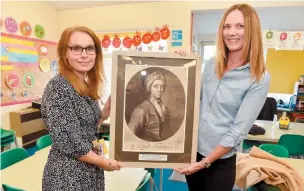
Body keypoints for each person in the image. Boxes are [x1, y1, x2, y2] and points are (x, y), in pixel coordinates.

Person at [176, 4, 270, 191]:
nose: (231, 32)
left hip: (220, 161)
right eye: (227, 26)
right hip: (193, 151)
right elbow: (195, 99)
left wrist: (205, 162)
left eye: (239, 26)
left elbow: (238, 131)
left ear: (251, 30)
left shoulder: (259, 77)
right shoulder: (212, 63)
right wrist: (181, 67)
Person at [40, 26, 121, 191]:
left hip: (90, 169)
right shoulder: (58, 88)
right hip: (67, 176)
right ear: (65, 53)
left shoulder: (85, 85)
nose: (84, 54)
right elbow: (71, 142)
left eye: (90, 48)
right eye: (76, 48)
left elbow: (85, 127)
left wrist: (104, 114)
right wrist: (104, 162)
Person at [127, 69, 171, 142]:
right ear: (149, 88)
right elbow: (129, 135)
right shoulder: (141, 110)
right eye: (155, 86)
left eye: (161, 86)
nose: (159, 90)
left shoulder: (163, 107)